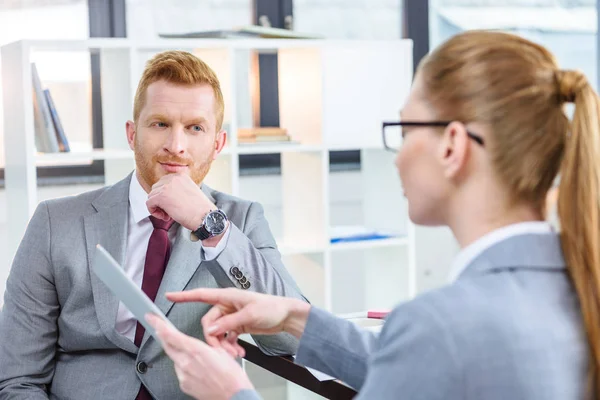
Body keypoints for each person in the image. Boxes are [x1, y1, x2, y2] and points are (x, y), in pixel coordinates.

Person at [147, 29, 600, 400]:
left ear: (453, 146)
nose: (397, 157)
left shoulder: (439, 324)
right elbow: (416, 365)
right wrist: (291, 317)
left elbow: (425, 353)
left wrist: (233, 393)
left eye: (403, 130)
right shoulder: (580, 290)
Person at [0, 50, 307, 400]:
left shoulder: (242, 221)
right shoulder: (56, 223)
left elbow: (293, 337)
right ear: (132, 134)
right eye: (160, 124)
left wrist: (212, 227)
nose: (176, 146)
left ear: (217, 143)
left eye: (195, 128)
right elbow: (17, 380)